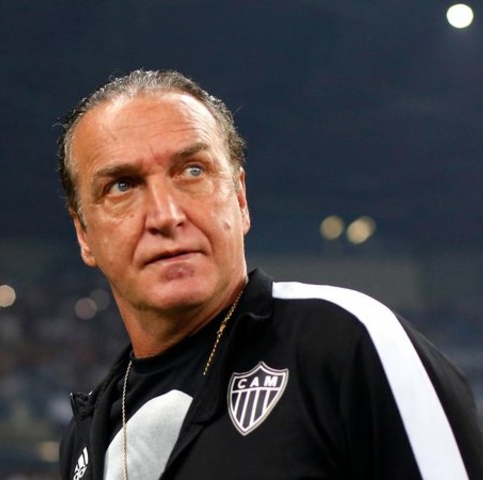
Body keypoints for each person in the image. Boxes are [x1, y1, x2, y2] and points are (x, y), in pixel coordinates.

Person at [56, 69, 483, 480]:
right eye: (122, 186)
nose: (166, 215)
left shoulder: (348, 344)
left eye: (193, 171)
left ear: (240, 199)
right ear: (84, 234)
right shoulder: (87, 435)